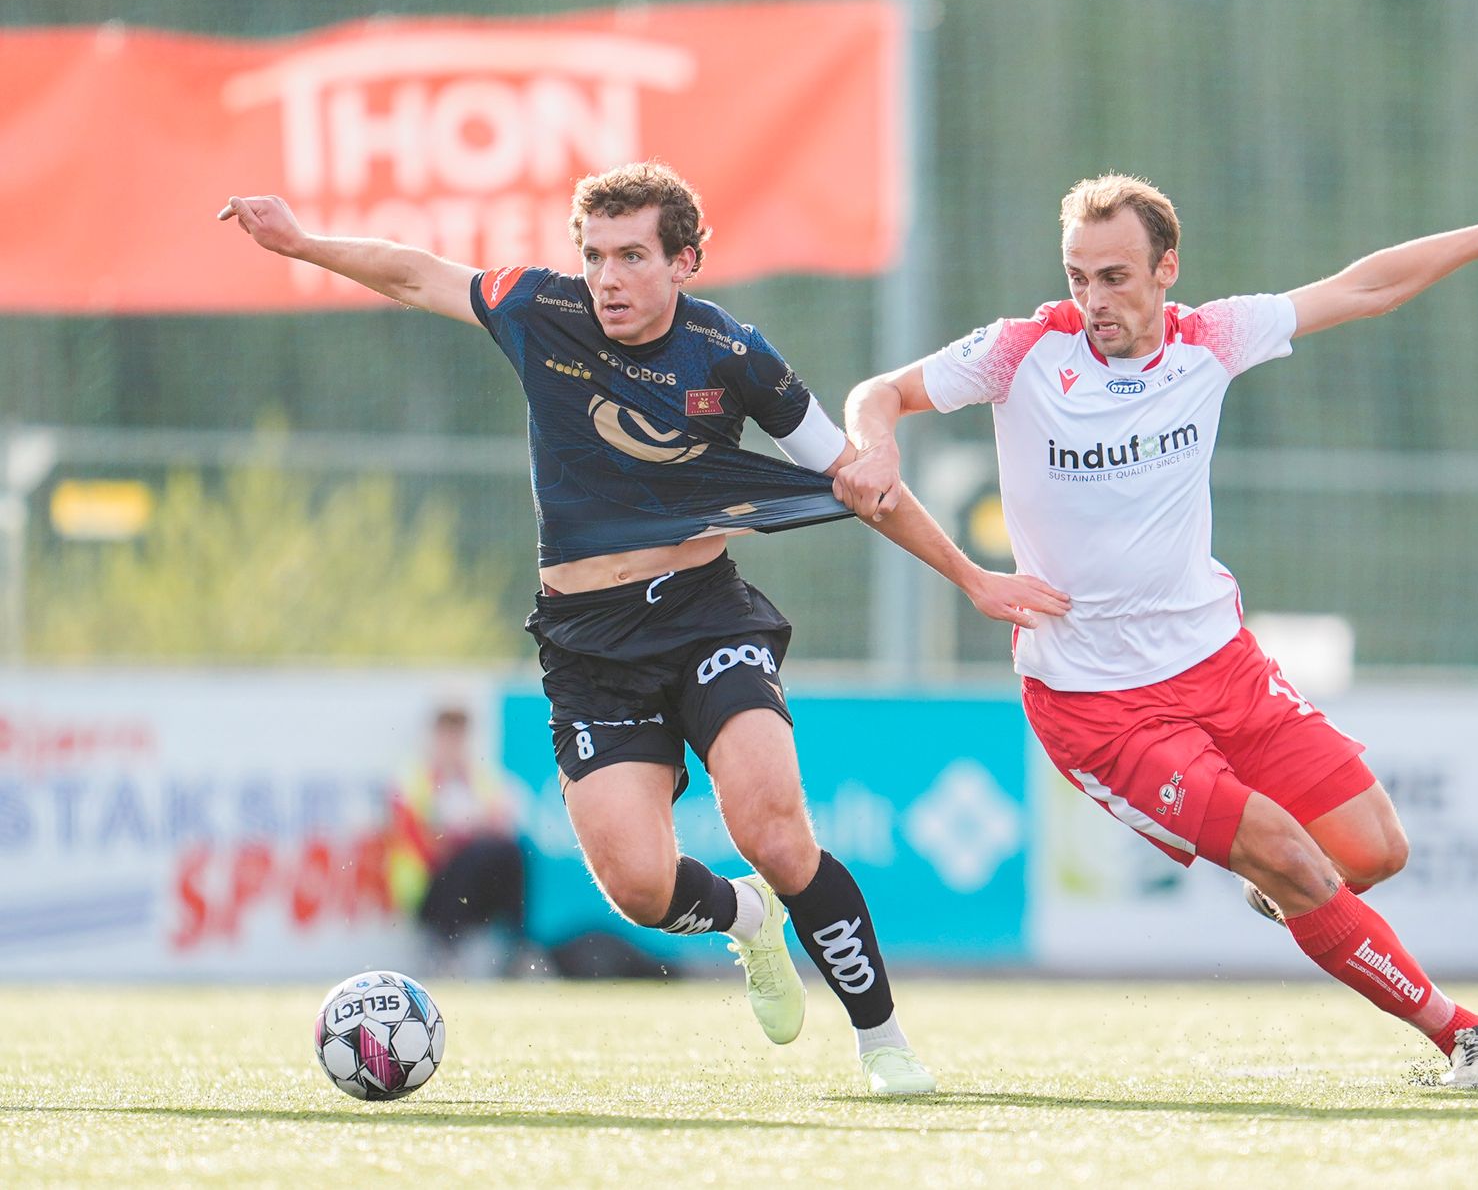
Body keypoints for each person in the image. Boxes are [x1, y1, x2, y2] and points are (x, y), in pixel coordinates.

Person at [220, 162, 1067, 1096]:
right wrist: (301, 243)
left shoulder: (735, 355)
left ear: (685, 261)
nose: (608, 277)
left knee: (775, 830)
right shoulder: (540, 309)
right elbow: (417, 272)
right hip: (588, 644)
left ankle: (885, 1044)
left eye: (631, 255)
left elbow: (860, 482)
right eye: (594, 255)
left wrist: (971, 575)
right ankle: (747, 920)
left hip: (706, 616)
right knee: (638, 887)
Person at [838, 172, 1478, 1088]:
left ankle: (1282, 886)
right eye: (1079, 276)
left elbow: (1364, 287)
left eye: (1116, 276)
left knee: (1374, 850)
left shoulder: (1211, 338)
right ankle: (1463, 1037)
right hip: (1100, 705)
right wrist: (882, 440)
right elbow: (876, 393)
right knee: (1294, 854)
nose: (1094, 300)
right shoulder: (1022, 351)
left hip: (1223, 664)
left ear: (1167, 268)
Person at [386, 706, 533, 975]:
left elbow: (503, 823)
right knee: (475, 853)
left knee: (512, 852)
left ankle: (518, 947)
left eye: (458, 735)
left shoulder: (479, 778)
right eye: (447, 735)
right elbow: (421, 840)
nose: (453, 743)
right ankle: (443, 946)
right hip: (426, 888)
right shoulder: (414, 778)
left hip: (474, 884)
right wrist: (461, 832)